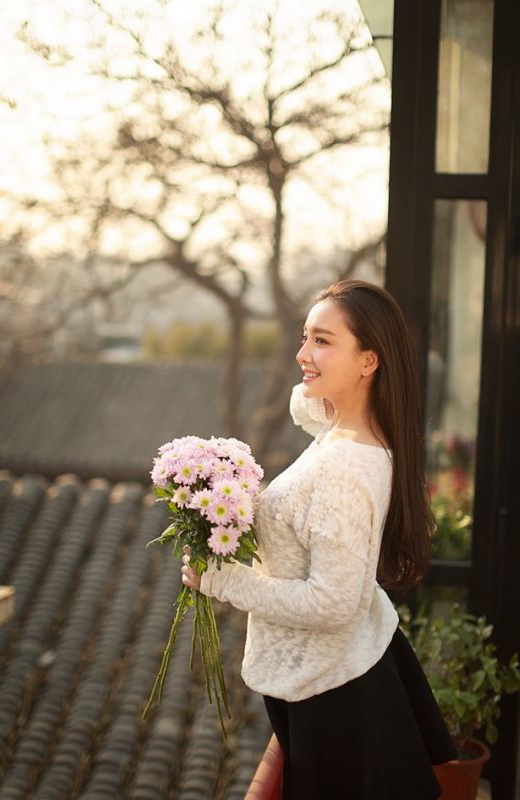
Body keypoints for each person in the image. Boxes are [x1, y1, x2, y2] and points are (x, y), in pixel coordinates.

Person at [181, 279, 457, 799]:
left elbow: (334, 603)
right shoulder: (348, 430)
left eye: (323, 341)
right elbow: (305, 408)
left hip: (339, 696)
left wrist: (223, 580)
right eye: (306, 337)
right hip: (332, 679)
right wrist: (324, 376)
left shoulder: (347, 466)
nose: (303, 354)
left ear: (369, 361)